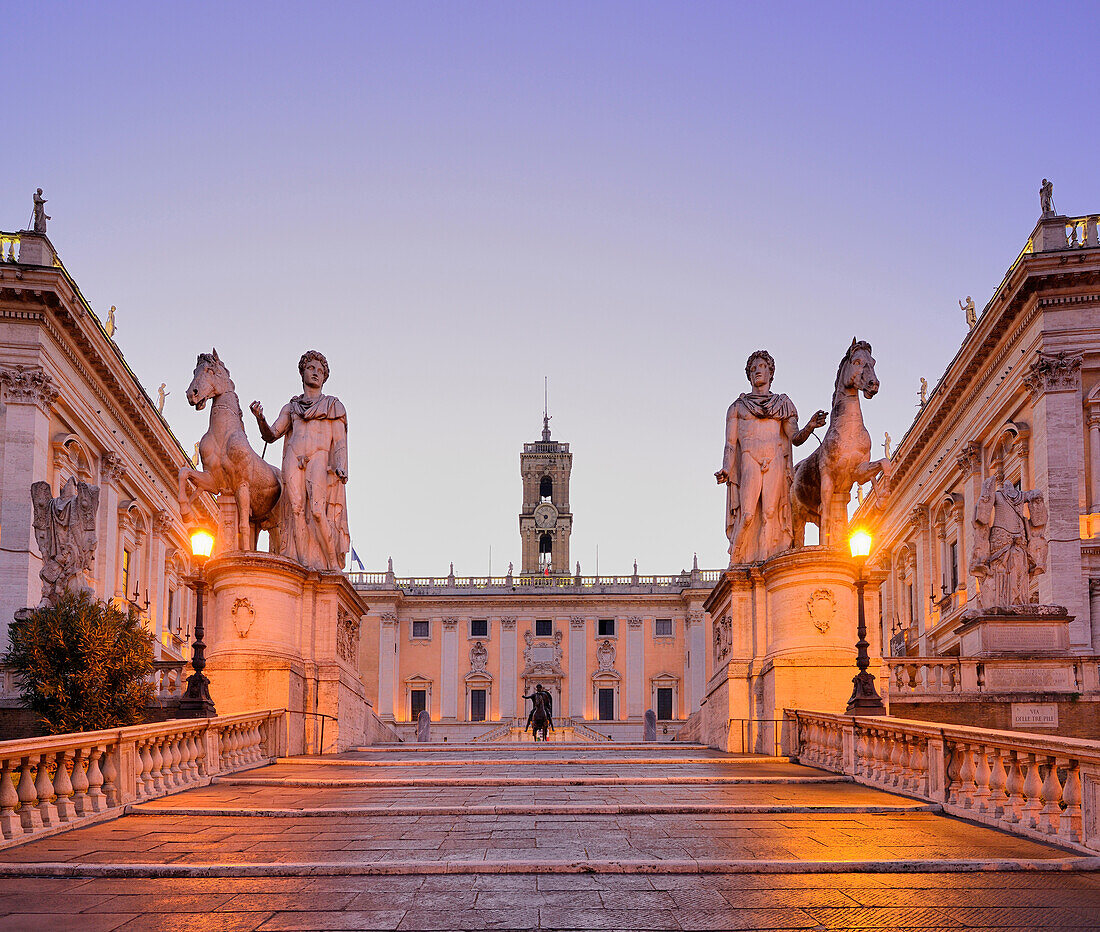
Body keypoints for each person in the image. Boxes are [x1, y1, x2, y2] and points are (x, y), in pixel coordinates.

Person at [715, 350, 825, 563]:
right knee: (747, 515)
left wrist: (810, 426)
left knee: (770, 514)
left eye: (762, 367)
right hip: (749, 458)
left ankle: (766, 568)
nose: (757, 371)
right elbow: (730, 445)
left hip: (774, 458)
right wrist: (726, 469)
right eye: (753, 368)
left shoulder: (782, 404)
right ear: (748, 375)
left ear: (770, 372)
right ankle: (736, 561)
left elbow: (795, 437)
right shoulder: (737, 407)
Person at [251, 350, 350, 571]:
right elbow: (272, 434)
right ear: (302, 372)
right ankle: (302, 564)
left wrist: (341, 464)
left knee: (316, 511)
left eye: (320, 371)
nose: (315, 373)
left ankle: (332, 563)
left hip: (319, 458)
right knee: (294, 511)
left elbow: (339, 441)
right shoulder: (291, 407)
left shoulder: (333, 406)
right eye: (311, 368)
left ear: (325, 377)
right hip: (294, 458)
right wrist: (260, 419)